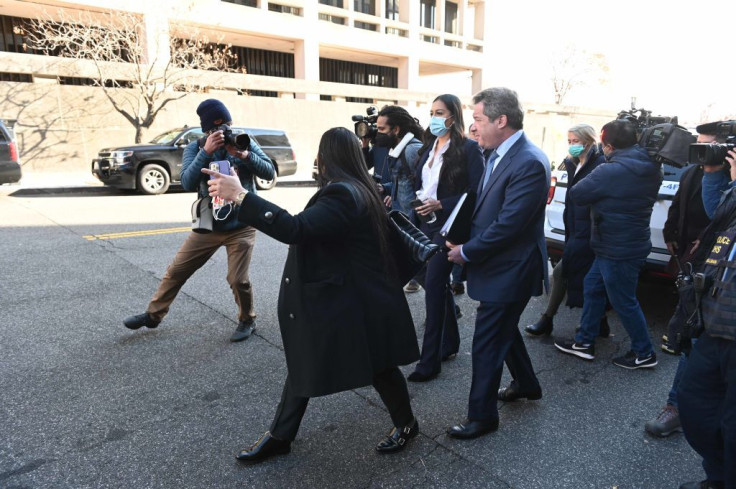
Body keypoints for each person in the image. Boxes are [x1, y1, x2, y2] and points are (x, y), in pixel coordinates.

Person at [203, 127, 421, 462]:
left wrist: (242, 196)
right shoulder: (361, 188)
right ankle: (282, 435)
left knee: (370, 364)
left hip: (348, 300)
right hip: (359, 296)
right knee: (360, 362)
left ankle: (402, 425)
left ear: (328, 156)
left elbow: (296, 229)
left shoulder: (343, 194)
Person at [123, 99, 275, 342]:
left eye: (226, 125)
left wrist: (245, 155)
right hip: (208, 225)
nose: (223, 132)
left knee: (238, 280)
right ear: (206, 130)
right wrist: (206, 153)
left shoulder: (244, 141)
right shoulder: (196, 148)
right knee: (177, 271)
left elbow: (269, 172)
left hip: (242, 225)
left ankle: (247, 320)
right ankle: (153, 315)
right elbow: (186, 181)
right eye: (217, 129)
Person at [445, 87, 549, 439]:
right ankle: (527, 383)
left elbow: (509, 225)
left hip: (512, 267)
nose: (472, 128)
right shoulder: (495, 151)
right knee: (503, 329)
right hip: (500, 265)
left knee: (487, 342)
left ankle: (482, 417)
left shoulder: (530, 161)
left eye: (477, 119)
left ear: (501, 121)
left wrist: (467, 251)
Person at [554, 120, 662, 369]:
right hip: (623, 242)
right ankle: (584, 342)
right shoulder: (651, 165)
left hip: (617, 246)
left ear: (608, 145)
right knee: (593, 286)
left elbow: (578, 194)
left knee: (624, 300)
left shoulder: (610, 170)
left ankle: (644, 353)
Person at [645, 122, 718, 438]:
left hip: (716, 267)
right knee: (691, 335)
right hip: (692, 262)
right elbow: (679, 205)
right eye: (698, 145)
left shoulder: (725, 181)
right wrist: (672, 234)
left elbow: (718, 216)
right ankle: (676, 406)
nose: (700, 152)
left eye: (708, 145)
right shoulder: (693, 171)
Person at [406, 94, 484, 382]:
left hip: (448, 227)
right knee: (431, 284)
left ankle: (429, 362)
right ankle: (449, 342)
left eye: (440, 112)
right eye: (432, 112)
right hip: (422, 223)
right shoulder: (428, 147)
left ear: (454, 115)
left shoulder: (468, 149)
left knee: (435, 289)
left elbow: (476, 192)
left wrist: (442, 204)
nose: (435, 117)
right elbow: (421, 184)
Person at [677, 144, 736, 489]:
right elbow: (716, 212)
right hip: (716, 321)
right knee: (696, 406)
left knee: (732, 424)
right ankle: (719, 475)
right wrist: (715, 173)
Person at [525, 124, 609, 337]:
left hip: (590, 232)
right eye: (569, 141)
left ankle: (549, 319)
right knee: (587, 278)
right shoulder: (573, 163)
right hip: (575, 229)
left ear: (589, 141)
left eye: (576, 142)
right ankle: (599, 322)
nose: (572, 146)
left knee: (566, 273)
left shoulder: (600, 164)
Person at [373, 105, 424, 214]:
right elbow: (404, 183)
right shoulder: (396, 151)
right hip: (402, 220)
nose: (378, 133)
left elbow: (426, 187)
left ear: (396, 130)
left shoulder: (412, 150)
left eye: (382, 129)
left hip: (413, 223)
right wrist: (385, 188)